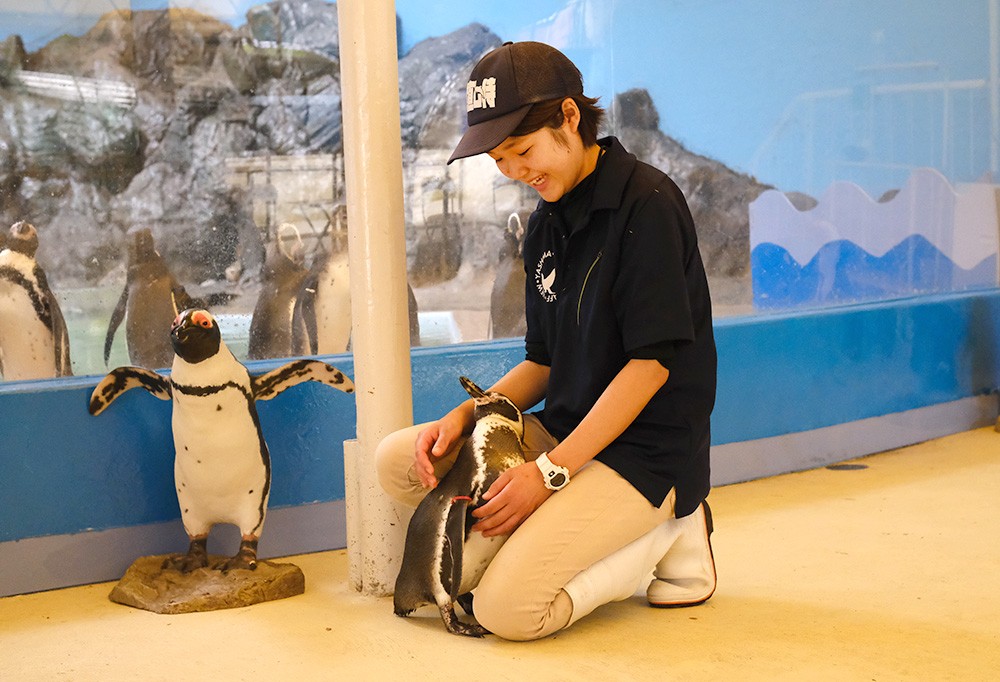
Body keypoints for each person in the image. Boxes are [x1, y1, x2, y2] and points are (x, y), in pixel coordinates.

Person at [376, 40, 717, 641]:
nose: (515, 172)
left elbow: (651, 367)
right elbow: (544, 361)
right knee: (400, 462)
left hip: (646, 455)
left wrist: (550, 475)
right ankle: (555, 532)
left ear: (569, 116)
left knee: (507, 612)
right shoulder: (545, 223)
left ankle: (671, 530)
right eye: (501, 159)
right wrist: (466, 413)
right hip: (564, 432)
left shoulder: (649, 204)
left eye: (523, 151)